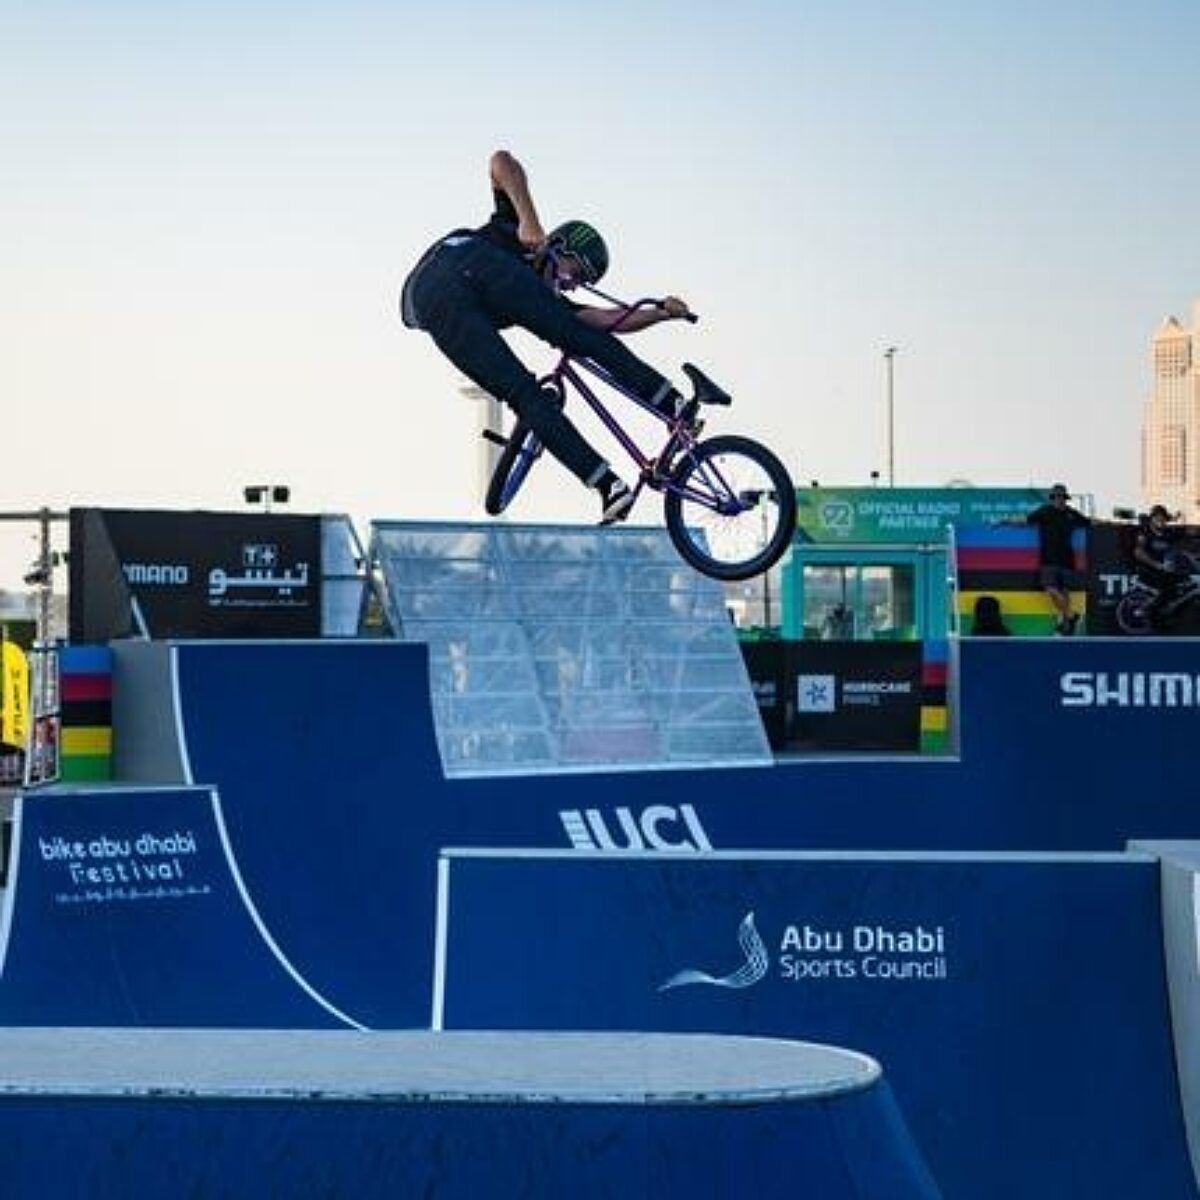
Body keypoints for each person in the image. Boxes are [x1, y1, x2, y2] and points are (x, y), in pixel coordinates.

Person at [401, 149, 714, 525]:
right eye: (576, 272)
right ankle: (674, 405)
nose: (573, 284)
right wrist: (529, 222)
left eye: (583, 282)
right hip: (455, 265)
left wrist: (661, 313)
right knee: (569, 333)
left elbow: (607, 321)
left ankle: (607, 485)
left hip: (436, 310)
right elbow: (502, 162)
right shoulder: (513, 230)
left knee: (528, 396)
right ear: (560, 247)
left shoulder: (546, 299)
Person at [1024, 484, 1090, 635]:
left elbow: (1089, 522)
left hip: (1067, 559)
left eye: (1062, 497)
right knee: (1051, 589)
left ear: (1066, 499)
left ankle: (1066, 626)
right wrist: (1005, 521)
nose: (1060, 500)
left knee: (1065, 593)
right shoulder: (1044, 511)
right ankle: (1071, 615)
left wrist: (1111, 523)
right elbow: (1026, 520)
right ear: (1052, 498)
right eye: (1056, 497)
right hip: (1048, 559)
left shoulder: (1071, 513)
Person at [1132, 504, 1188, 630]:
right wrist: (1157, 565)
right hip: (1148, 570)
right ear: (1152, 519)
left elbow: (1187, 533)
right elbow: (1138, 552)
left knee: (1185, 583)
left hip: (1165, 571)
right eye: (1157, 518)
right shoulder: (1145, 533)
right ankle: (1147, 613)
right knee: (1166, 589)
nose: (1160, 521)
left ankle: (1168, 614)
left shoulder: (1168, 533)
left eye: (1163, 518)